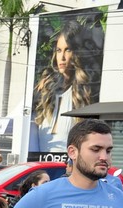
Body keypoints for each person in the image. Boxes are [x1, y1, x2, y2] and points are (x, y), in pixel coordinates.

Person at [31, 21, 99, 153]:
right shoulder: (46, 88)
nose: (61, 57)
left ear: (77, 53)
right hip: (41, 163)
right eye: (58, 50)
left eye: (68, 50)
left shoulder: (85, 91)